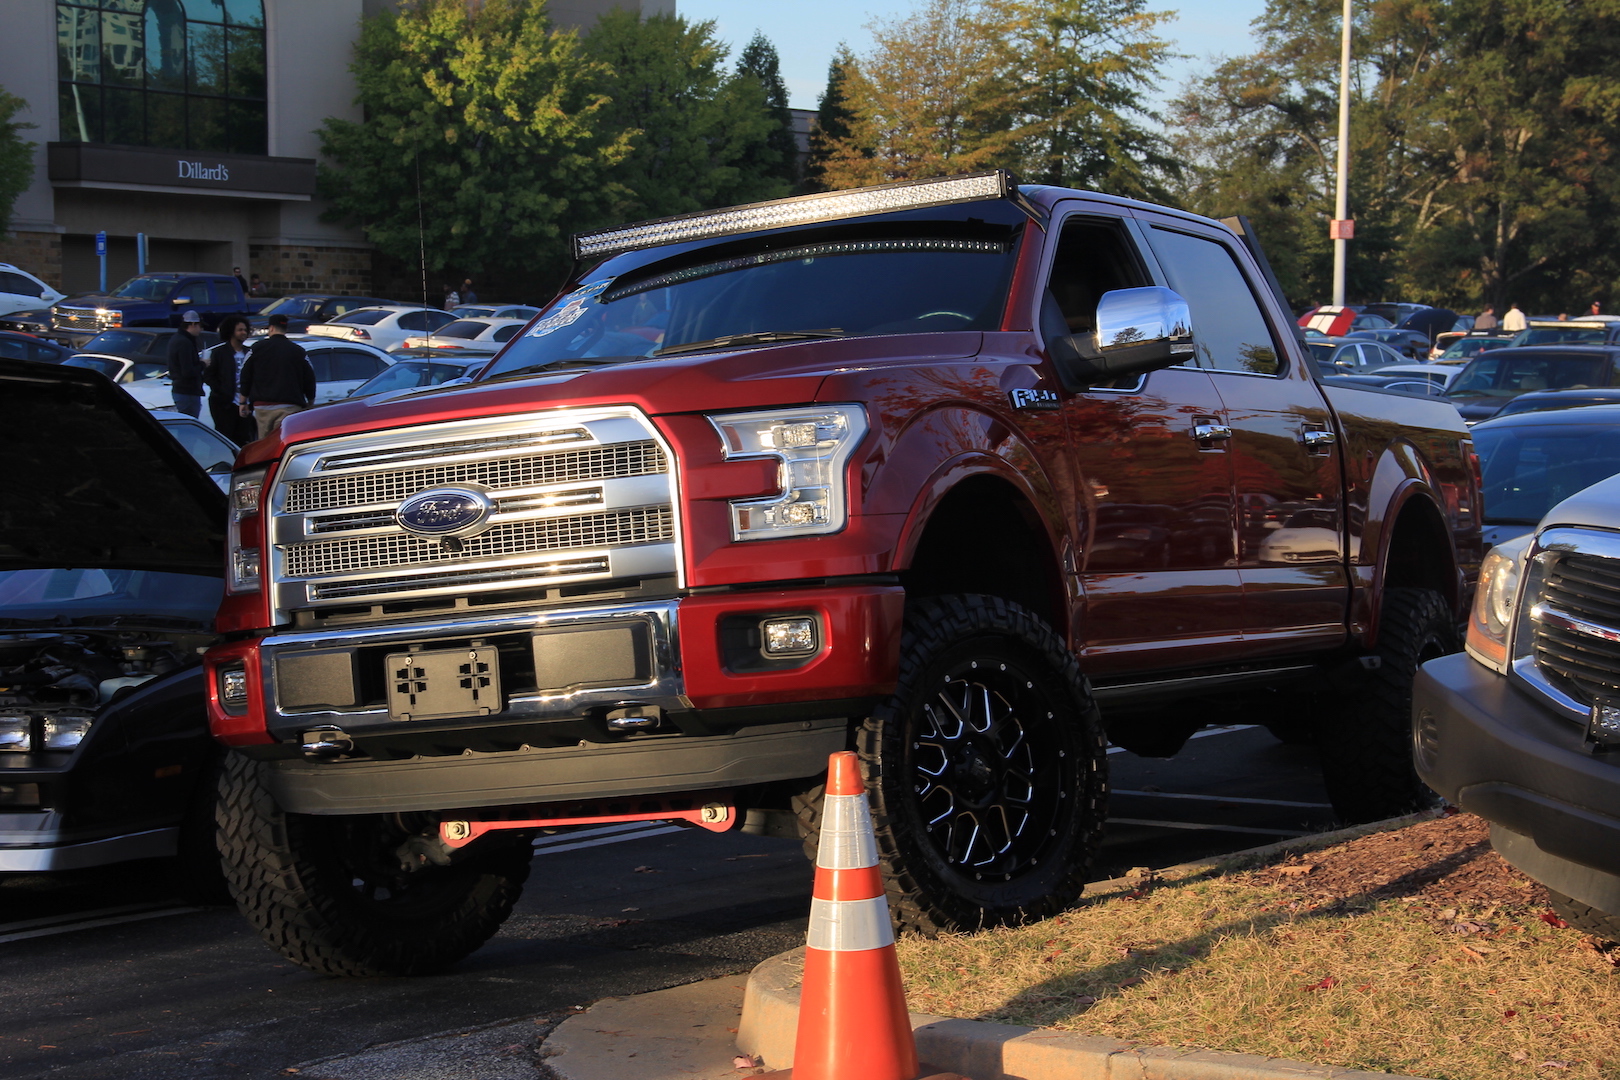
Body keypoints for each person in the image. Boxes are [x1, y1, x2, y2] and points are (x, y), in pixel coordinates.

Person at [237, 313, 314, 440]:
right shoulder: (297, 351)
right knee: (283, 441)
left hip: (262, 406)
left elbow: (245, 375)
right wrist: (310, 401)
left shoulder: (257, 348)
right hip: (289, 405)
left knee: (264, 443)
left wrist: (243, 401)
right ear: (285, 329)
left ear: (271, 328)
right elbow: (309, 377)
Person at [203, 314, 256, 443]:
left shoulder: (250, 352)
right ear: (231, 332)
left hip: (245, 404)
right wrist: (221, 391)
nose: (243, 332)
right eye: (240, 330)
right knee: (224, 438)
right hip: (224, 404)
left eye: (245, 329)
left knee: (243, 438)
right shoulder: (219, 353)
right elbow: (208, 375)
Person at [166, 310, 206, 418]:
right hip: (187, 392)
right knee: (189, 426)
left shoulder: (176, 339)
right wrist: (203, 364)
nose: (201, 329)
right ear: (193, 324)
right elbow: (188, 371)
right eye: (200, 326)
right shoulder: (185, 342)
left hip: (181, 390)